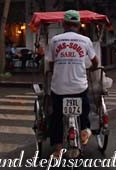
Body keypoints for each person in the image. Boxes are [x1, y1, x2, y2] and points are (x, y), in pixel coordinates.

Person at [46, 10, 99, 158]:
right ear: (78, 25)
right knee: (84, 110)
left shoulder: (55, 40)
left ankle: (58, 150)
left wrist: (55, 70)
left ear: (63, 24)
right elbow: (95, 62)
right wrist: (91, 68)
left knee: (56, 117)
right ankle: (85, 128)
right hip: (79, 87)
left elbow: (50, 63)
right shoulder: (85, 40)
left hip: (59, 87)